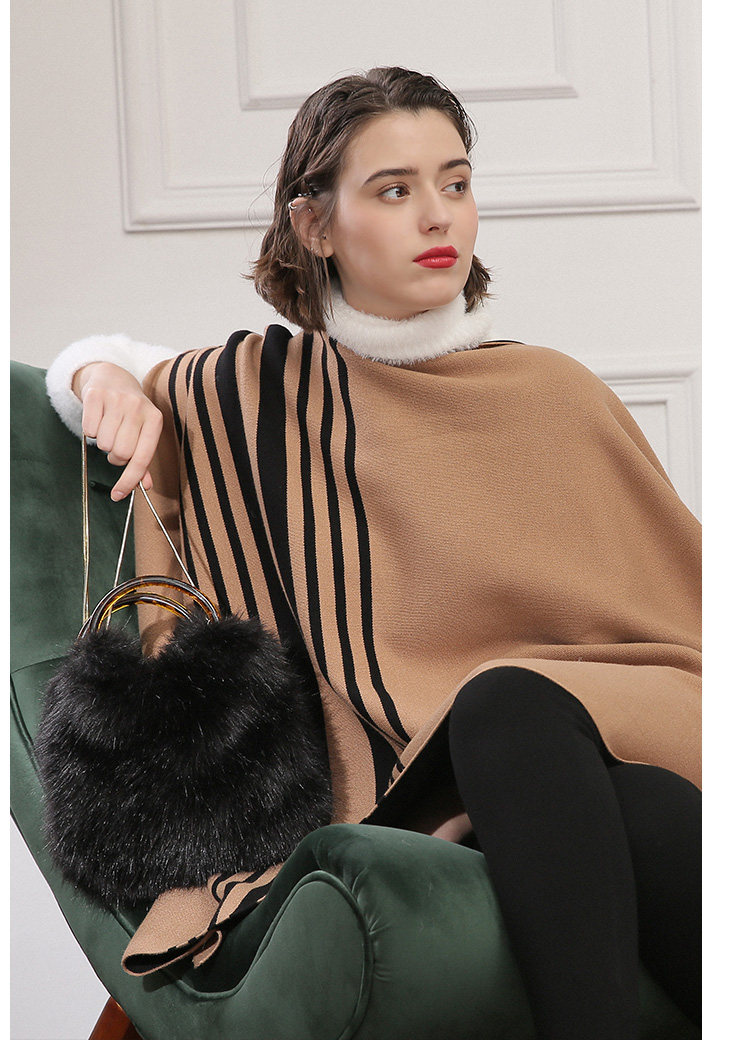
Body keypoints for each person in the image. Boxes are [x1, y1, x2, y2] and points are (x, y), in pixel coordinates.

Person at [45, 66, 701, 1039]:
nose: (438, 216)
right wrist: (102, 378)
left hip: (606, 735)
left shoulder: (554, 391)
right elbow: (91, 369)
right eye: (395, 190)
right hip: (410, 769)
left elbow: (679, 621)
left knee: (601, 772)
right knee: (524, 719)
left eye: (455, 182)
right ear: (314, 224)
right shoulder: (257, 391)